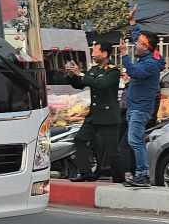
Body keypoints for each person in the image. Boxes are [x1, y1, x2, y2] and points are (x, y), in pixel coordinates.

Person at [62, 43, 121, 181]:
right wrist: (72, 75)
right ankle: (86, 172)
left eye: (95, 51)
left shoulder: (113, 71)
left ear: (105, 54)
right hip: (94, 116)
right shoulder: (94, 69)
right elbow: (80, 84)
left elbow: (101, 84)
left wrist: (81, 74)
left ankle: (119, 178)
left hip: (108, 116)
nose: (92, 54)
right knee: (80, 140)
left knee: (111, 151)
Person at [118, 14, 163, 188]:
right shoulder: (147, 57)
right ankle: (138, 174)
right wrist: (132, 23)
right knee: (132, 141)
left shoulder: (150, 64)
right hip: (134, 107)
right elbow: (138, 36)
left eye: (139, 42)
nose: (135, 43)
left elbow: (134, 72)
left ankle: (142, 175)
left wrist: (124, 56)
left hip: (140, 109)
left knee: (135, 141)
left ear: (147, 47)